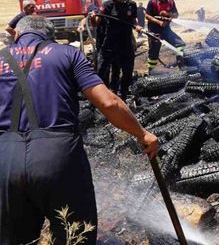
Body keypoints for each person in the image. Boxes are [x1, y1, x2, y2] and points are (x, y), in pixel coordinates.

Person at [0, 15, 159, 244]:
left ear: (16, 34)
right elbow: (109, 103)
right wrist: (142, 133)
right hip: (58, 157)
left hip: (5, 159)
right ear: (50, 35)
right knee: (75, 236)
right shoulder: (67, 54)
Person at [90, 0, 140, 99]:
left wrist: (137, 26)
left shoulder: (131, 5)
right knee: (101, 70)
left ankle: (123, 93)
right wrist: (93, 17)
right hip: (110, 43)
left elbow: (133, 20)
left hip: (126, 43)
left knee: (127, 71)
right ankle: (99, 95)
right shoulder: (107, 5)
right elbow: (96, 22)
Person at [145, 0, 185, 71]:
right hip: (154, 31)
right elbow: (147, 16)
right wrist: (159, 22)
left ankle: (181, 66)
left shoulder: (171, 2)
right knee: (154, 52)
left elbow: (176, 15)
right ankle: (151, 72)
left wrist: (167, 14)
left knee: (181, 45)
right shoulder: (152, 2)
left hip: (166, 30)